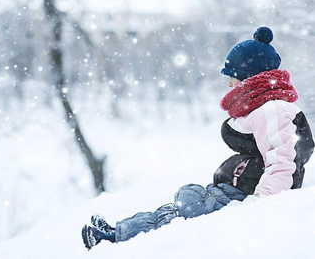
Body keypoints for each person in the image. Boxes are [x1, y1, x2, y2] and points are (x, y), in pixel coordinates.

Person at [81, 26, 315, 250]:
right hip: (236, 189)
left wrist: (257, 205)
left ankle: (115, 240)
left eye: (232, 75)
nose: (229, 82)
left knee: (180, 216)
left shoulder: (273, 111)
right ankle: (119, 231)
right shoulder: (264, 109)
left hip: (245, 195)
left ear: (248, 77)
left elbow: (282, 163)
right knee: (176, 211)